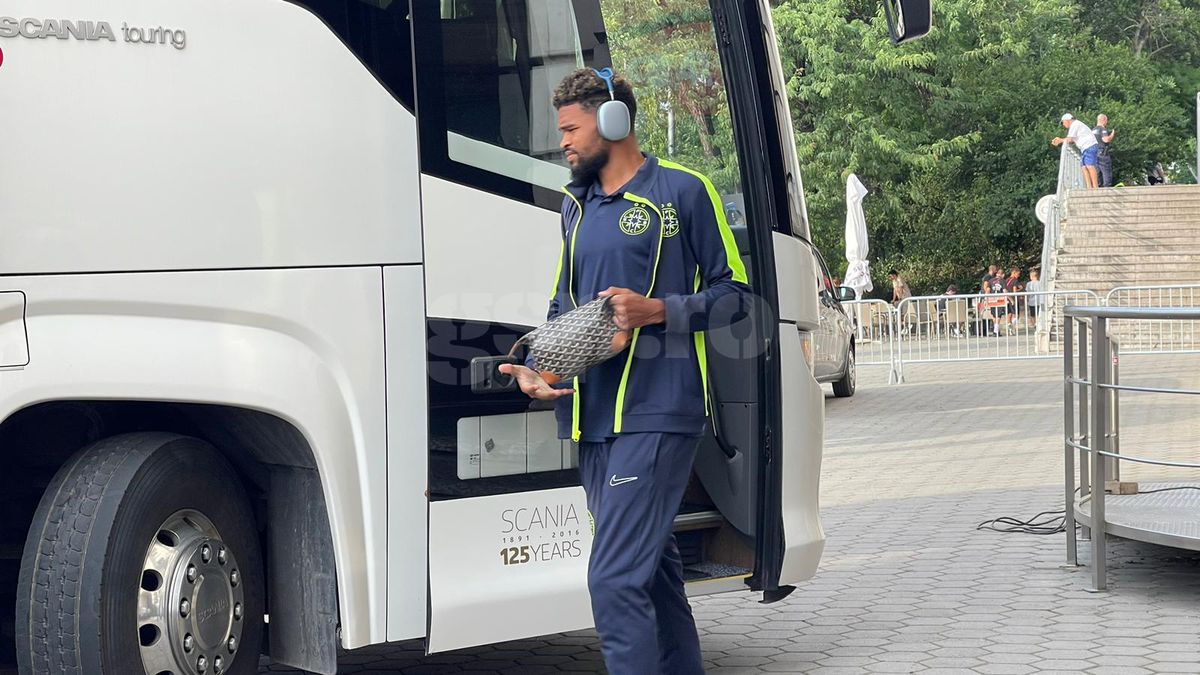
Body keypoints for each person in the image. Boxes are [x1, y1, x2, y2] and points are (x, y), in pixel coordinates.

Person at [499, 68, 749, 675]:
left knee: (613, 581)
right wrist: (539, 367)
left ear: (614, 121)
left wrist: (660, 309)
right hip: (591, 420)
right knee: (654, 574)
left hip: (659, 413)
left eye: (570, 129)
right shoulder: (574, 205)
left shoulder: (684, 192)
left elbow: (737, 293)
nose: (562, 142)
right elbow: (564, 304)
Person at [1051, 113, 1100, 189]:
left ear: (1067, 120)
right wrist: (1061, 140)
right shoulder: (1076, 124)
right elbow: (1072, 139)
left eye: (1063, 122)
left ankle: (1095, 187)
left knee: (1089, 166)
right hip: (1086, 147)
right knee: (1084, 167)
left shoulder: (1075, 124)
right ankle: (1089, 187)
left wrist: (1060, 140)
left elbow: (1070, 139)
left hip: (1089, 146)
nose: (1063, 125)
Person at [1093, 114, 1115, 187]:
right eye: (1106, 120)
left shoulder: (1092, 130)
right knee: (1106, 174)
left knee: (1097, 175)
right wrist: (1112, 135)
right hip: (1103, 154)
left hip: (1094, 155)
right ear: (1104, 120)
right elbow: (1106, 139)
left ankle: (1097, 192)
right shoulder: (1102, 129)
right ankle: (1107, 192)